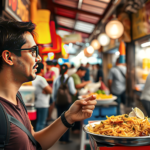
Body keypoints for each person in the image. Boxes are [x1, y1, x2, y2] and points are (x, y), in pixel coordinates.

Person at [0, 18, 97, 150]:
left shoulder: (17, 97)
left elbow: (34, 140)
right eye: (33, 51)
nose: (38, 58)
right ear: (9, 57)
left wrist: (69, 116)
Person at [52, 64, 77, 143]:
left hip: (59, 102)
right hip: (67, 102)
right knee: (66, 120)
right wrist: (76, 92)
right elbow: (73, 91)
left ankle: (60, 138)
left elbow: (54, 92)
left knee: (59, 120)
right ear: (67, 70)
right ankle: (65, 139)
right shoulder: (69, 79)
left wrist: (55, 100)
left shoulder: (56, 79)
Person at [32, 62, 52, 131]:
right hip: (43, 104)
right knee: (41, 123)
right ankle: (38, 140)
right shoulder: (40, 79)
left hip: (36, 103)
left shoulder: (33, 78)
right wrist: (46, 90)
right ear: (42, 70)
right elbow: (50, 91)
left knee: (36, 123)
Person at [71, 66, 91, 133]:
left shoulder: (76, 76)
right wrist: (86, 82)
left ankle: (76, 129)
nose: (84, 74)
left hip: (75, 97)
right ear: (79, 70)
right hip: (74, 98)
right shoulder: (75, 76)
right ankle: (75, 129)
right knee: (76, 113)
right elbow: (77, 85)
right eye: (83, 72)